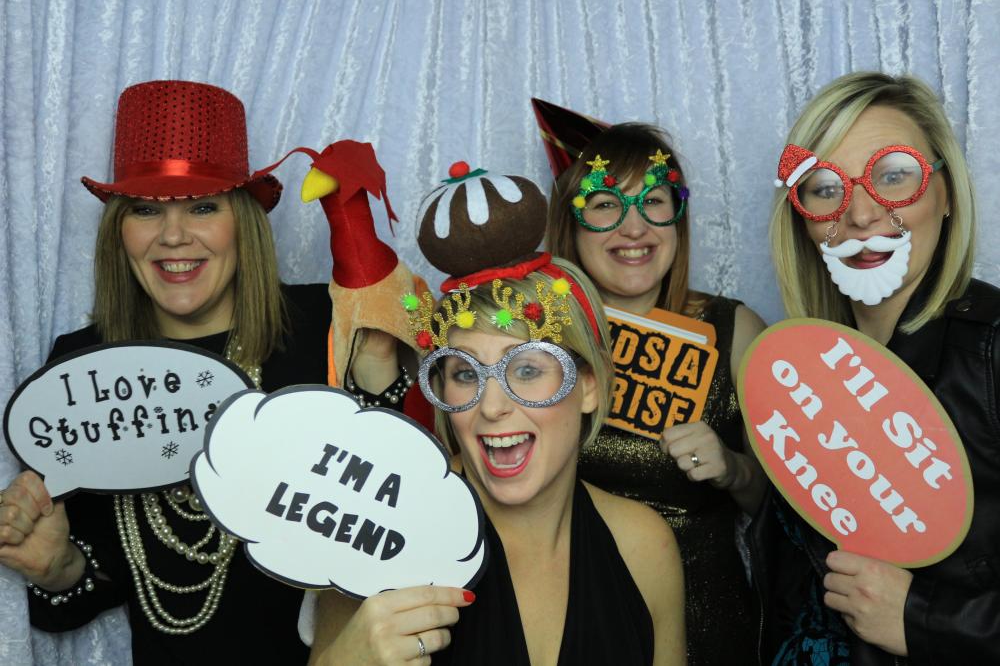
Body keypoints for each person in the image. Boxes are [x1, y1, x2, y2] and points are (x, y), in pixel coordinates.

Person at [0, 80, 412, 664]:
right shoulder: (82, 372)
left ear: (243, 221)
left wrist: (378, 370)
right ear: (119, 231)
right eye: (146, 210)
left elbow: (403, 508)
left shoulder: (327, 325)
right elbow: (96, 586)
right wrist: (59, 565)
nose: (173, 236)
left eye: (202, 206)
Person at [307, 164, 685, 664]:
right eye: (465, 373)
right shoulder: (379, 532)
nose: (491, 407)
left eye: (526, 370)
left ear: (589, 386)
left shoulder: (644, 545)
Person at [757, 71, 1000, 665]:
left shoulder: (991, 350)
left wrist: (924, 621)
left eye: (894, 176)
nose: (862, 214)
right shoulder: (796, 370)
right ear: (802, 217)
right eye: (824, 188)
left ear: (946, 194)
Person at [539, 106, 767, 664]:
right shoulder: (538, 337)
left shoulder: (737, 331)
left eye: (654, 201)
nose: (634, 227)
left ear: (677, 219)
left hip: (708, 625)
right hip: (572, 624)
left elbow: (782, 505)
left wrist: (733, 469)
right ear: (571, 224)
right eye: (606, 204)